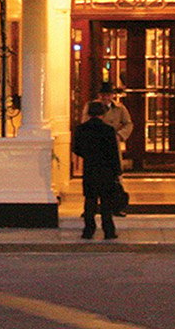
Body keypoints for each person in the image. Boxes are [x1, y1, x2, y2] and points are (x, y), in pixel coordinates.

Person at [71, 101, 121, 240]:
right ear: (103, 114)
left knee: (90, 201)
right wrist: (117, 171)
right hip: (106, 170)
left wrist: (88, 155)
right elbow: (113, 152)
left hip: (90, 168)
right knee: (106, 202)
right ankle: (108, 231)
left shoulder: (81, 129)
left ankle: (88, 230)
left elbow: (76, 148)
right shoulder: (108, 130)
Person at [88, 83, 135, 217]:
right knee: (94, 179)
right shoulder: (92, 107)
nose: (105, 98)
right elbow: (85, 122)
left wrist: (120, 135)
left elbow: (128, 123)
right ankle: (91, 208)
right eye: (103, 95)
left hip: (112, 146)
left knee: (115, 177)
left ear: (113, 95)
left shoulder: (119, 108)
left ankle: (116, 207)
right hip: (96, 147)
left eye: (108, 95)